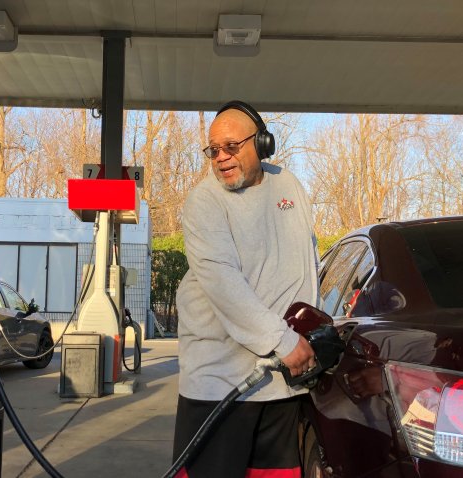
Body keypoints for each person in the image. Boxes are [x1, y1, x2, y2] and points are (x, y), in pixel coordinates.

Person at [173, 100, 320, 477]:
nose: (221, 158)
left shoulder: (287, 183)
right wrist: (285, 342)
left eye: (232, 147)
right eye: (213, 150)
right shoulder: (204, 202)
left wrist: (311, 335)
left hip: (283, 384)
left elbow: (305, 260)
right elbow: (223, 283)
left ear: (263, 142)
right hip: (221, 384)